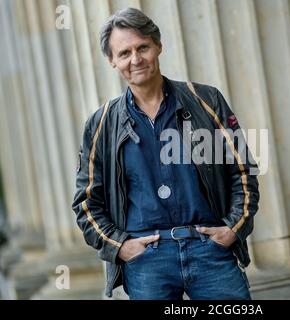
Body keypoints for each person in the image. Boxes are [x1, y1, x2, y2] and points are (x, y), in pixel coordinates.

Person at [72, 7, 259, 300]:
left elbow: (243, 170)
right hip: (147, 262)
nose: (135, 59)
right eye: (124, 53)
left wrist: (233, 229)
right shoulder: (101, 124)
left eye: (142, 47)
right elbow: (85, 203)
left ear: (158, 45)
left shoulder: (206, 99)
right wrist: (120, 246)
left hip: (210, 251)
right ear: (112, 61)